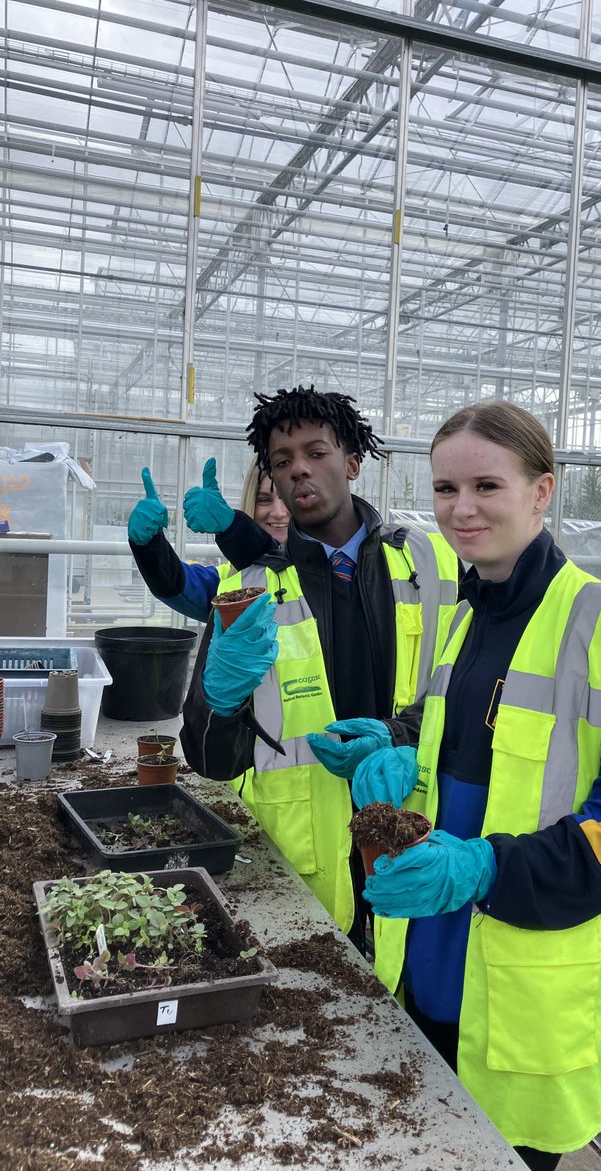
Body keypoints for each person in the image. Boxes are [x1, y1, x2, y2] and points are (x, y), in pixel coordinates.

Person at [315, 400, 601, 1168]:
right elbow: (455, 724)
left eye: (487, 485)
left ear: (543, 492)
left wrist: (485, 866)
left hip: (525, 981)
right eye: (446, 489)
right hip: (432, 956)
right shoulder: (468, 610)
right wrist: (397, 741)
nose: (462, 509)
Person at [179, 384, 460, 951]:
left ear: (353, 462)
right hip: (299, 868)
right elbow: (208, 759)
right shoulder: (248, 588)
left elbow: (466, 691)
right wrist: (221, 698)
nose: (298, 471)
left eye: (316, 453)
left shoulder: (430, 563)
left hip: (421, 845)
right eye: (282, 463)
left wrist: (398, 735)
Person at [127, 459, 290, 622]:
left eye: (288, 498)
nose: (278, 512)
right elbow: (177, 586)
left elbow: (284, 567)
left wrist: (234, 528)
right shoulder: (231, 578)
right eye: (264, 500)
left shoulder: (312, 570)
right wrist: (149, 544)